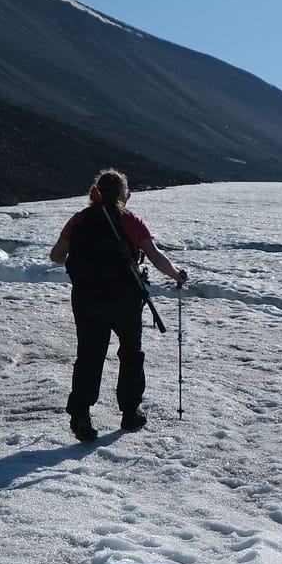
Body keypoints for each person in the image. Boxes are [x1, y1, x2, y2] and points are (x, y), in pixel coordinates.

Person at [49, 169, 187, 442]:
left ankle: (81, 415)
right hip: (124, 298)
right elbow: (155, 256)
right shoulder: (131, 221)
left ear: (96, 192)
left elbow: (56, 256)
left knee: (89, 355)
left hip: (87, 299)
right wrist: (176, 274)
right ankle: (129, 412)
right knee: (131, 353)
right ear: (125, 195)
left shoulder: (79, 220)